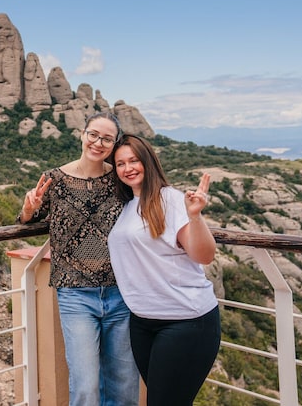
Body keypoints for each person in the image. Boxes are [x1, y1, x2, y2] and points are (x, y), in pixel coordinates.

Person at [18, 112, 139, 406]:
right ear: (82, 134)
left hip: (120, 291)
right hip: (74, 294)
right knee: (85, 386)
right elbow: (26, 221)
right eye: (93, 134)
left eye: (107, 139)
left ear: (113, 144)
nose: (98, 143)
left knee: (124, 385)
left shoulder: (120, 179)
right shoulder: (54, 178)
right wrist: (28, 208)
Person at [109, 134, 220, 405]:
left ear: (148, 161)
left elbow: (203, 255)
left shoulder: (171, 200)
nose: (128, 168)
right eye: (121, 163)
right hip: (143, 322)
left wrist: (195, 217)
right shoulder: (127, 206)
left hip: (185, 320)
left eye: (134, 160)